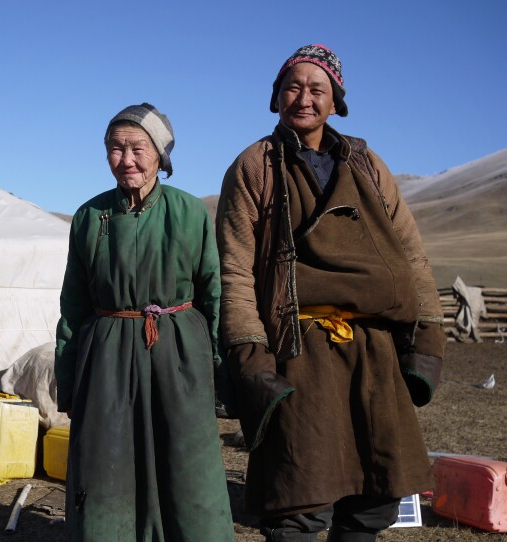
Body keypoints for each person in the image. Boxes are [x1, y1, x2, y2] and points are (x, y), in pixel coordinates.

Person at [216, 44, 446, 542]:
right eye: (292, 87)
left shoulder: (366, 164)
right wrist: (248, 353)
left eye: (316, 89)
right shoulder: (255, 166)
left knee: (374, 494)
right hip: (298, 346)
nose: (304, 98)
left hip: (373, 348)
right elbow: (234, 267)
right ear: (276, 98)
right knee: (298, 495)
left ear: (335, 101)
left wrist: (426, 335)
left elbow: (410, 251)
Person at [55, 103, 235, 541]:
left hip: (177, 352)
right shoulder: (88, 217)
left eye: (137, 147)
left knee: (185, 462)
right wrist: (68, 378)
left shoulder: (189, 212)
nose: (126, 159)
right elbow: (73, 306)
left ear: (160, 154)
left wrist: (212, 366)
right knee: (106, 461)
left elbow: (213, 292)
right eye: (115, 148)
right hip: (107, 358)